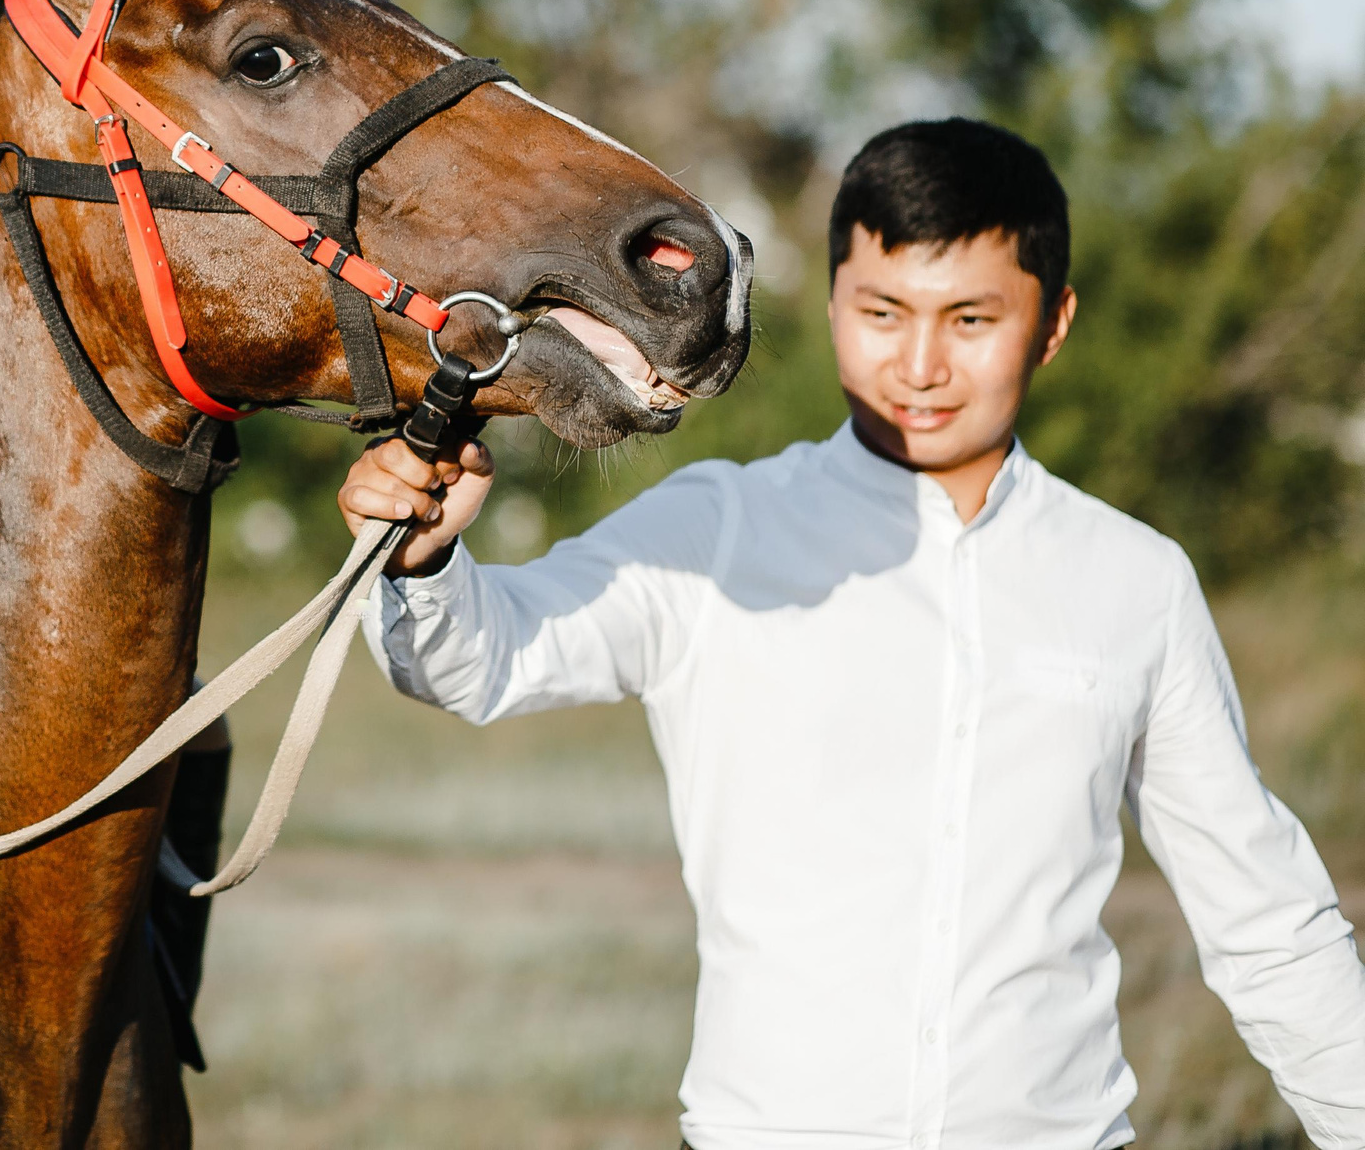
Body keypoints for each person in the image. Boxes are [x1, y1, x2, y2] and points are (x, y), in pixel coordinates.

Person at [340, 119, 1365, 1150]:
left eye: (969, 320)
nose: (918, 365)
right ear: (834, 305)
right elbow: (485, 660)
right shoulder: (719, 528)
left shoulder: (1135, 580)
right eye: (882, 313)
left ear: (1052, 324)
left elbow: (1265, 920)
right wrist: (422, 559)